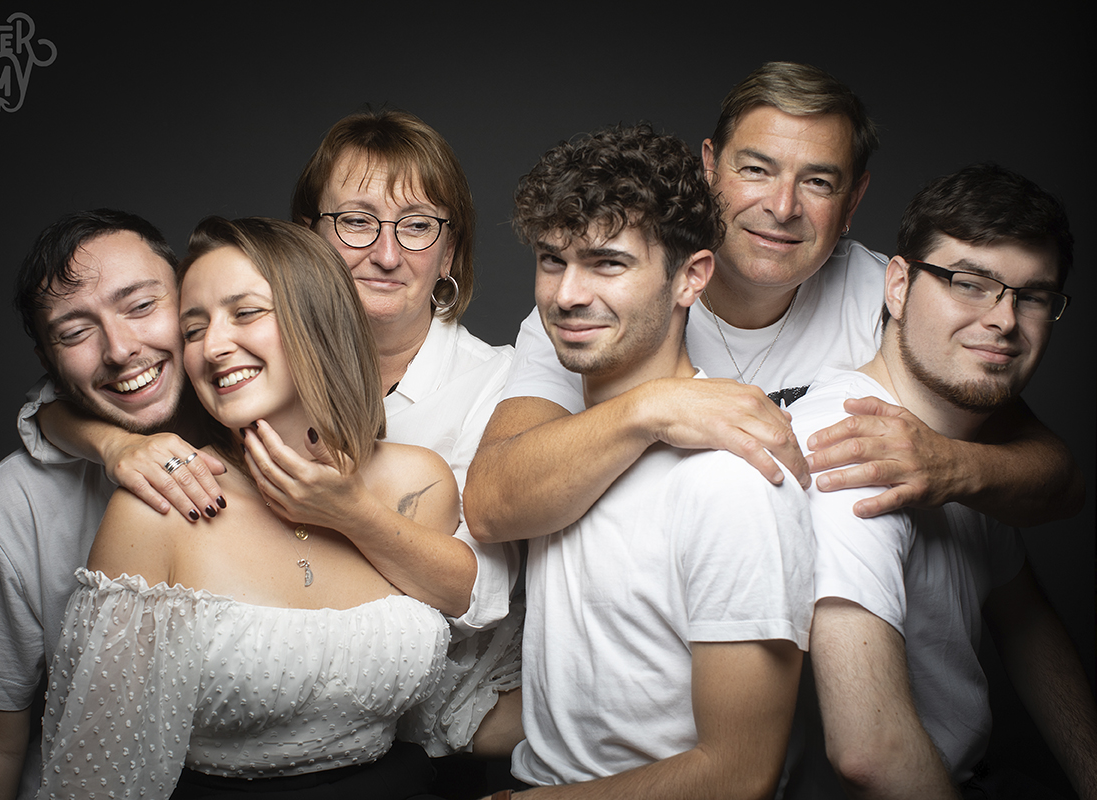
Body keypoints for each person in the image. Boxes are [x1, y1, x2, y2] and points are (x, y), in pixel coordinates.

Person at [32, 110, 522, 759]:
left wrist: (351, 512)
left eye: (418, 226)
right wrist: (117, 444)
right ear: (305, 242)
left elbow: (477, 596)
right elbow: (93, 386)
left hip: (431, 734)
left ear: (449, 251)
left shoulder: (497, 390)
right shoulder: (233, 370)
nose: (385, 251)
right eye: (355, 220)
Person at [464, 61, 1081, 550]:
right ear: (710, 167)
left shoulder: (887, 297)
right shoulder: (605, 301)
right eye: (756, 169)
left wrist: (951, 465)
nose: (782, 207)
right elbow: (492, 503)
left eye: (817, 181)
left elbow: (1057, 478)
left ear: (854, 198)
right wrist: (653, 405)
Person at [38, 216, 461, 799]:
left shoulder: (419, 481)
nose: (213, 347)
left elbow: (459, 611)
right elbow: (94, 781)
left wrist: (348, 510)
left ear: (317, 318)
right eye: (193, 329)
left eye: (246, 313)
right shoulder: (156, 509)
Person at [480, 124, 813, 800]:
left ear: (691, 277)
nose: (567, 295)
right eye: (551, 260)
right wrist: (649, 408)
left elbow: (737, 774)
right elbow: (489, 504)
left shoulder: (731, 481)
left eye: (607, 264)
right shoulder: (572, 447)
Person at [787, 164, 1097, 798]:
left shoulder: (961, 447)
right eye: (971, 283)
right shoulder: (851, 443)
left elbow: (1025, 618)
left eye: (1033, 296)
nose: (1005, 321)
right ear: (897, 287)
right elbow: (869, 750)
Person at [0, 209, 220, 800]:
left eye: (140, 306)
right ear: (46, 359)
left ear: (188, 296)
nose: (120, 349)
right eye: (75, 332)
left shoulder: (278, 447)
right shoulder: (8, 504)